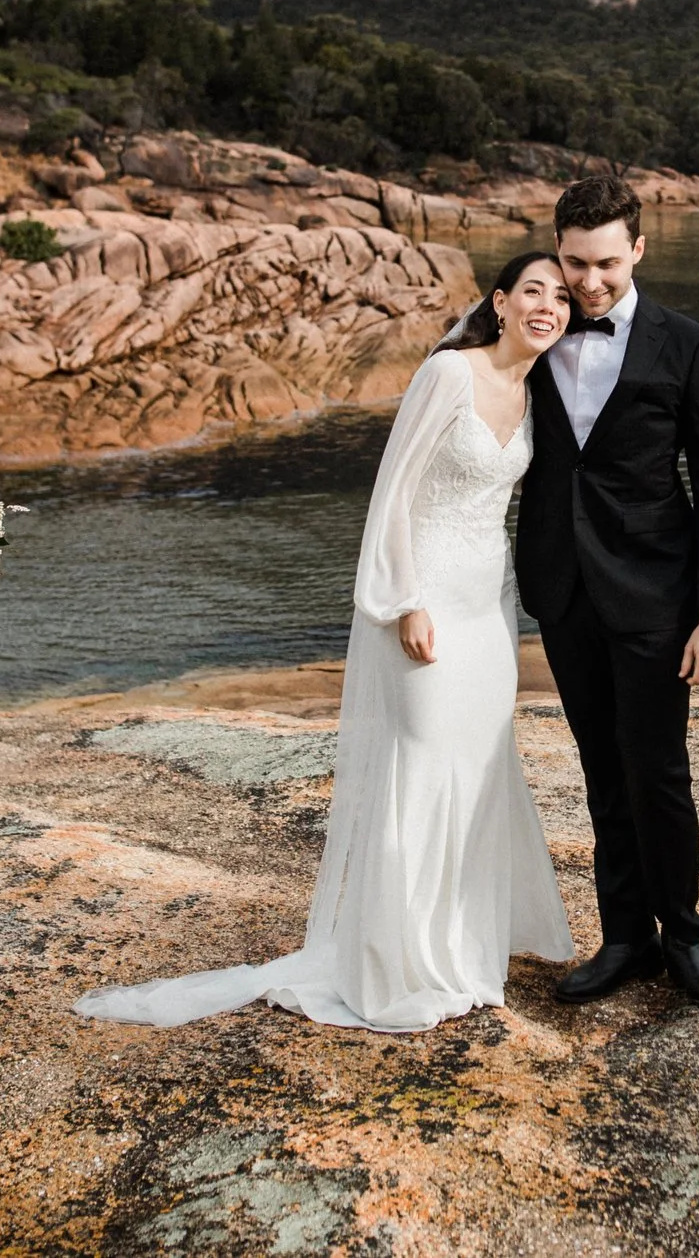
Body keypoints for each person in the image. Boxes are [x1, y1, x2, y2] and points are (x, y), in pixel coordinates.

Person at [77, 253, 577, 1031]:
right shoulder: (451, 373)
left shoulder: (536, 389)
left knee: (479, 766)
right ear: (502, 302)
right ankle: (394, 962)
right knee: (421, 765)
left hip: (490, 605)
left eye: (563, 296)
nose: (549, 306)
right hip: (429, 598)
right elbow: (394, 493)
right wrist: (404, 600)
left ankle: (460, 950)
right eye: (534, 291)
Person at [517, 176, 699, 1007]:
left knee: (659, 772)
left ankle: (683, 938)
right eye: (574, 262)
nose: (589, 282)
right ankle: (624, 937)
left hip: (655, 594)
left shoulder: (686, 344)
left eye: (606, 263)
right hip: (562, 588)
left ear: (639, 249)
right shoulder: (532, 330)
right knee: (599, 767)